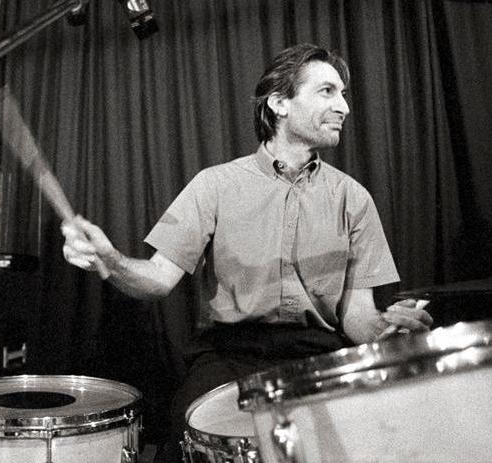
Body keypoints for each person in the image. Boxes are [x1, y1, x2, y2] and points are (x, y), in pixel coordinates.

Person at [61, 43, 433, 462]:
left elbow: (357, 317)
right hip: (230, 355)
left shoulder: (354, 198)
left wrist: (385, 327)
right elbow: (157, 280)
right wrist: (110, 260)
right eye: (328, 92)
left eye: (343, 94)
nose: (344, 107)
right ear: (279, 103)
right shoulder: (214, 185)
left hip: (318, 354)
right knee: (188, 424)